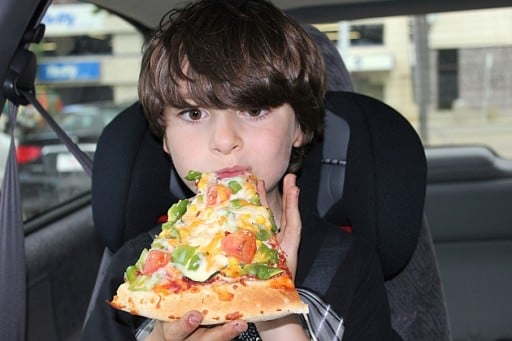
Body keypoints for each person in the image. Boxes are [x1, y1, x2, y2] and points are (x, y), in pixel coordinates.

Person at [81, 0, 393, 340]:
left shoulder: (348, 265)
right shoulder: (139, 269)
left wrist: (275, 307)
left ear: (300, 128)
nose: (225, 140)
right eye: (194, 114)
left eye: (254, 109)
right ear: (164, 136)